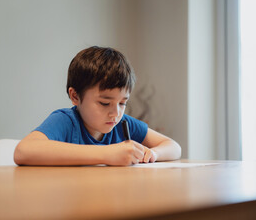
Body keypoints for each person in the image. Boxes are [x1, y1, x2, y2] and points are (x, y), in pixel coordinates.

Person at [14, 46, 181, 166]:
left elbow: (173, 146)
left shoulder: (123, 124)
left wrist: (153, 154)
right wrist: (107, 154)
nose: (115, 113)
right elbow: (23, 151)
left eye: (123, 103)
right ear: (75, 96)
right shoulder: (66, 121)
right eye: (104, 103)